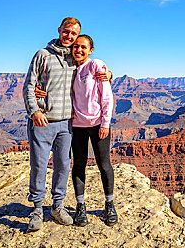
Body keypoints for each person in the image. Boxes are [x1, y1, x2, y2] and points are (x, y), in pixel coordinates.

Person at [23, 18, 110, 232]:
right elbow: (29, 85)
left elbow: (94, 75)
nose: (70, 37)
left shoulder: (75, 58)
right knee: (39, 166)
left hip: (67, 124)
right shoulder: (43, 55)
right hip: (43, 121)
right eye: (67, 32)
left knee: (62, 166)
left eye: (74, 34)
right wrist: (34, 111)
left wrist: (109, 75)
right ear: (59, 30)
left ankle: (57, 205)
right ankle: (36, 210)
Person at [70, 34, 117, 227]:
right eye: (76, 47)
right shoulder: (70, 68)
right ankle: (80, 207)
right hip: (76, 125)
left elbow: (106, 96)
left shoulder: (96, 65)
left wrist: (105, 123)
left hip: (98, 124)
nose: (79, 50)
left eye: (83, 47)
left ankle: (109, 204)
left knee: (103, 164)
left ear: (90, 50)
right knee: (78, 165)